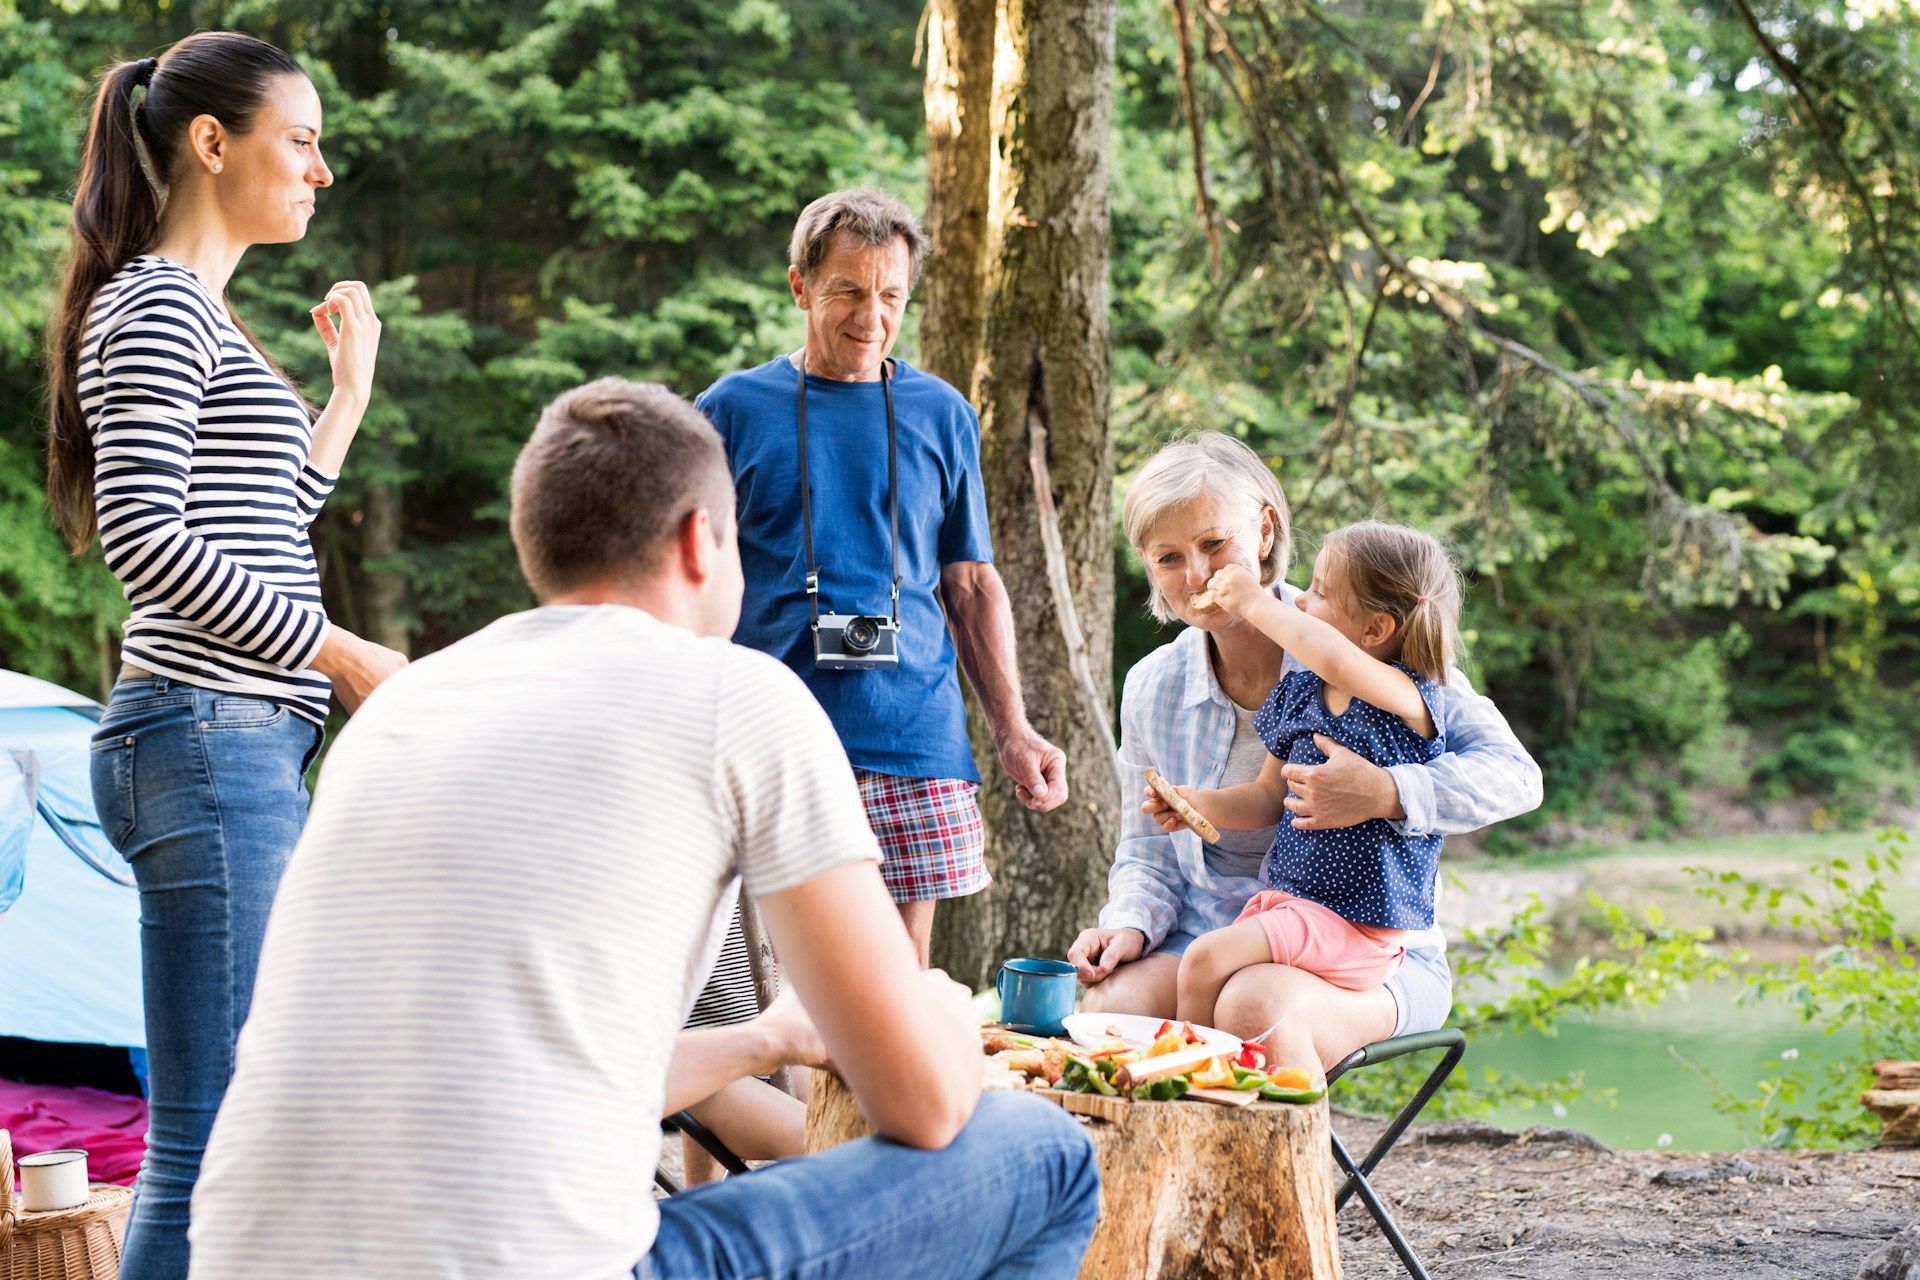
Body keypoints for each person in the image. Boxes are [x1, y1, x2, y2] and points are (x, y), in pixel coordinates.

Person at [187, 379, 1098, 1280]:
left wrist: (766, 1038)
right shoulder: (735, 693)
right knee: (1045, 1155)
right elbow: (926, 1110)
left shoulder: (401, 709)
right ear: (702, 541)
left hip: (245, 1258)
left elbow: (525, 1088)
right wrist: (933, 1012)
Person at [42, 32, 405, 1279]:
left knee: (237, 1122)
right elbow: (148, 546)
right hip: (202, 735)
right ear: (212, 142)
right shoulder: (151, 305)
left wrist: (343, 401)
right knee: (214, 1134)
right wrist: (341, 650)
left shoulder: (200, 313)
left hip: (229, 737)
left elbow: (253, 531)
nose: (321, 169)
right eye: (299, 140)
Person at [1066, 433, 1542, 1074]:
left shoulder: (1362, 645)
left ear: (1264, 532)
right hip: (1212, 934)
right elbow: (1147, 855)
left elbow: (1516, 777)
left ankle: (1290, 1175)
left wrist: (1386, 792)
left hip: (1364, 944)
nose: (1197, 576)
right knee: (1105, 1013)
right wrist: (1128, 924)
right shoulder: (1153, 686)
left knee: (1255, 1009)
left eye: (1214, 545)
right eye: (1168, 558)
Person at [695, 188, 1066, 966]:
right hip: (771, 741)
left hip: (914, 737)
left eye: (891, 295)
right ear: (800, 287)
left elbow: (970, 585)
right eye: (848, 292)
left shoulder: (943, 413)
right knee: (768, 986)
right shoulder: (731, 409)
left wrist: (1012, 728)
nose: (873, 316)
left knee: (896, 985)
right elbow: (689, 577)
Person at [1160, 524, 1466, 1045]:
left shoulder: (1409, 699)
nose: (1301, 598)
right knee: (1216, 974)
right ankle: (1218, 1086)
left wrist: (1254, 602)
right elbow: (1264, 797)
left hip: (1359, 923)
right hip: (1295, 904)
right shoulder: (1302, 695)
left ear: (1375, 630)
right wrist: (1199, 803)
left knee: (1205, 960)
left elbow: (1333, 656)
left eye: (1321, 592)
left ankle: (1187, 1078)